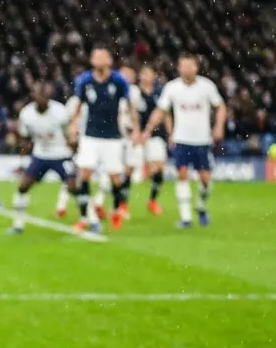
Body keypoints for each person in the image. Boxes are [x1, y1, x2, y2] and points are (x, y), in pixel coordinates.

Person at [143, 53, 226, 229]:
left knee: (205, 179)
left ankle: (201, 206)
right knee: (182, 174)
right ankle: (186, 217)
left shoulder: (206, 86)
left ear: (196, 67)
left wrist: (219, 126)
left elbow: (220, 107)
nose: (186, 69)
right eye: (183, 66)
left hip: (202, 140)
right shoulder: (172, 88)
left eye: (190, 66)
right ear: (179, 68)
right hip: (181, 139)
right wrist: (148, 129)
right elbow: (161, 110)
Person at [68, 46, 131, 233]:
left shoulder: (119, 80)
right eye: (96, 56)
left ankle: (117, 212)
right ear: (91, 60)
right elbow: (78, 105)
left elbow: (129, 105)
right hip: (91, 135)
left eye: (103, 56)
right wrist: (73, 125)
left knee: (115, 178)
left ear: (110, 60)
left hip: (112, 137)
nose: (100, 59)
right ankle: (84, 217)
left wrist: (135, 129)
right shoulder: (84, 81)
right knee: (84, 175)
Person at [9, 82, 77, 234]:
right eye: (38, 96)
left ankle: (90, 219)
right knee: (23, 186)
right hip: (41, 155)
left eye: (44, 96)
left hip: (61, 154)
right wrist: (22, 158)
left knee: (75, 187)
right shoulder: (26, 114)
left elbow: (70, 134)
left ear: (48, 98)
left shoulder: (60, 111)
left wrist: (73, 150)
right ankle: (18, 224)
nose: (41, 99)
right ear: (33, 97)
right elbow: (25, 138)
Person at [130, 65, 167, 215]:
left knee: (159, 169)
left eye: (149, 74)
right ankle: (122, 204)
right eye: (144, 74)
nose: (146, 76)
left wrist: (171, 132)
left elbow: (165, 113)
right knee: (128, 169)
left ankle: (152, 200)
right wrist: (137, 132)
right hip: (136, 135)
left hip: (156, 134)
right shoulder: (134, 92)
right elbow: (132, 113)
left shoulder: (160, 92)